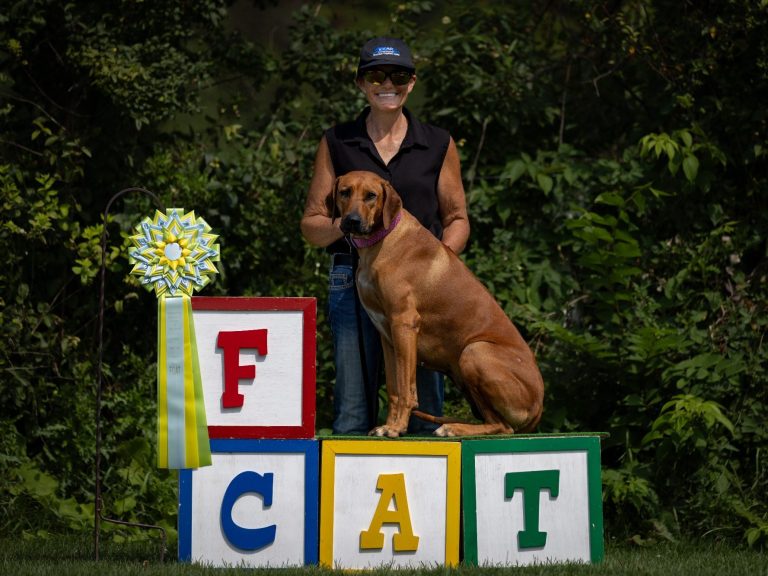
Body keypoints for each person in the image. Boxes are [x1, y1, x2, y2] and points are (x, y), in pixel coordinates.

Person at [300, 36, 469, 435]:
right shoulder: (337, 141)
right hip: (352, 276)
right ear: (361, 82)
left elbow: (457, 218)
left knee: (425, 409)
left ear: (412, 82)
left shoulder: (437, 143)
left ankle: (425, 472)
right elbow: (311, 224)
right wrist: (350, 222)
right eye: (376, 75)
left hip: (422, 285)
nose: (388, 84)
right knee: (353, 409)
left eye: (398, 76)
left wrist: (437, 267)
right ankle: (350, 475)